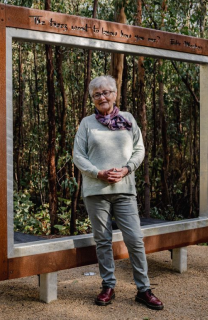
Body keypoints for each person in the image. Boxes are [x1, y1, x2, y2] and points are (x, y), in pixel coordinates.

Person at [72, 75, 164, 310]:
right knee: (102, 240)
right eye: (97, 94)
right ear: (93, 98)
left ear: (115, 94)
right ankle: (108, 286)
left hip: (124, 189)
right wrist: (97, 173)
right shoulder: (86, 124)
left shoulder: (128, 119)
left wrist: (126, 169)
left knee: (134, 239)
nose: (102, 97)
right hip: (96, 190)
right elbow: (78, 155)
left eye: (106, 92)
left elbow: (139, 149)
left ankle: (144, 289)